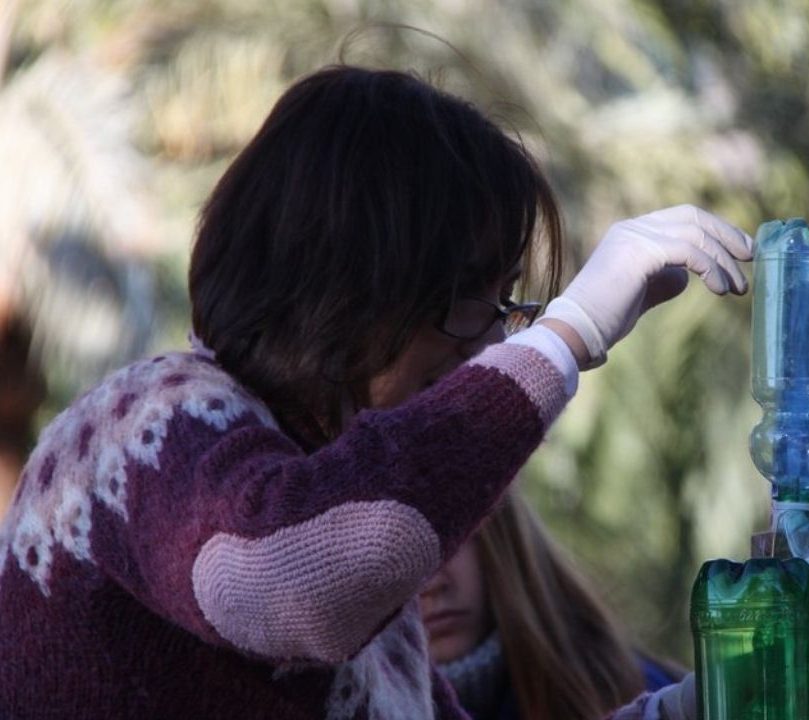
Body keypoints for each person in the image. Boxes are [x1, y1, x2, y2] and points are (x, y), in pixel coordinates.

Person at [0, 65, 751, 720]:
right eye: (469, 299)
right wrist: (568, 333)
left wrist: (681, 710)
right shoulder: (147, 425)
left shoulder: (362, 588)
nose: (490, 344)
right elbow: (281, 587)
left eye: (505, 306)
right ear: (352, 286)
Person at [421, 490, 683, 720]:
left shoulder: (644, 696)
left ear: (502, 529)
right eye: (389, 550)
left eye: (453, 532)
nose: (431, 583)